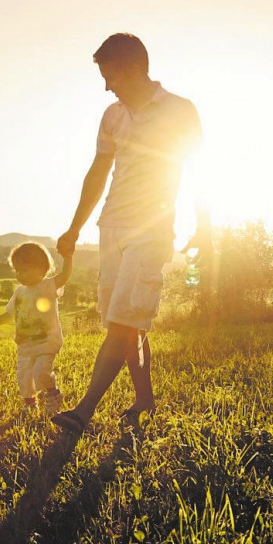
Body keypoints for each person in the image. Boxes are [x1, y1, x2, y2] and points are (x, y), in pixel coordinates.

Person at [51, 33, 203, 433]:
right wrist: (74, 227)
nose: (106, 86)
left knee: (122, 323)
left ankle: (83, 412)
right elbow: (98, 172)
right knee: (126, 321)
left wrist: (204, 225)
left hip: (151, 229)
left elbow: (200, 170)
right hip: (111, 226)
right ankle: (145, 400)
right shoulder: (112, 115)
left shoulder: (180, 110)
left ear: (134, 68)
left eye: (110, 75)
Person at [0, 242, 73, 416]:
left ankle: (53, 394)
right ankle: (30, 404)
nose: (19, 275)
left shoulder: (47, 286)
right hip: (25, 345)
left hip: (47, 341)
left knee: (41, 371)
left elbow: (64, 276)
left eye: (24, 270)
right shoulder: (19, 292)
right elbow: (10, 314)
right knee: (24, 377)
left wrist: (68, 257)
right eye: (17, 270)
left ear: (41, 269)